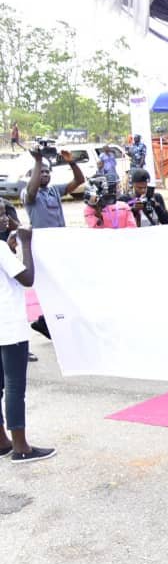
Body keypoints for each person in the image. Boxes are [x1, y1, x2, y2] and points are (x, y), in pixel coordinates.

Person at [0, 219, 52, 463]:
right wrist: (26, 243)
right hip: (9, 326)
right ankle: (21, 446)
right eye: (0, 214)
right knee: (14, 386)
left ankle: (2, 441)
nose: (5, 218)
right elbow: (27, 278)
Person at [23, 147, 82, 229]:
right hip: (42, 235)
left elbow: (79, 180)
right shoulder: (26, 192)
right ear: (31, 175)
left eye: (47, 172)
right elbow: (31, 193)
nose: (45, 174)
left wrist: (71, 162)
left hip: (60, 234)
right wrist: (38, 161)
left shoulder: (54, 189)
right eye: (41, 172)